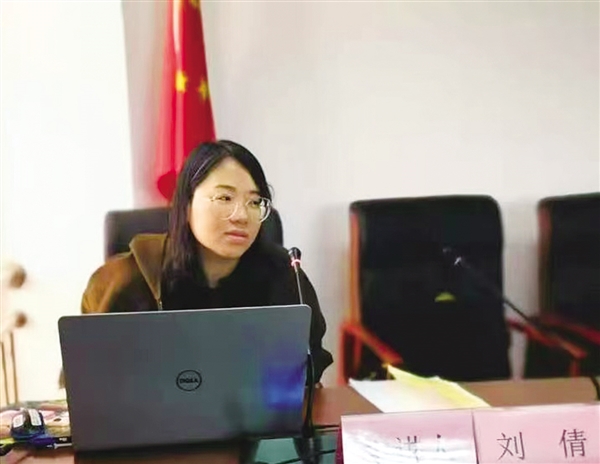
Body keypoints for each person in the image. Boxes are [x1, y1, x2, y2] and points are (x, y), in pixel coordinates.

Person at [81, 140, 333, 382]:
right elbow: (89, 375)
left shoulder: (285, 274)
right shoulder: (126, 279)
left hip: (258, 410)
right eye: (224, 198)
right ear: (186, 205)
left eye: (255, 202)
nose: (242, 216)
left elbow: (310, 366)